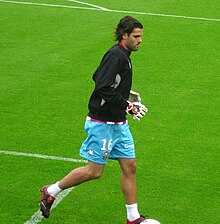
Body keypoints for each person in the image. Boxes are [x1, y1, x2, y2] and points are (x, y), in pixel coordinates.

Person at [39, 16, 159, 224]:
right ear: (124, 35)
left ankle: (133, 218)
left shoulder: (124, 54)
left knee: (129, 167)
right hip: (102, 123)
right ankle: (50, 191)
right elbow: (102, 87)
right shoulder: (117, 56)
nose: (140, 40)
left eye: (141, 36)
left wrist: (125, 93)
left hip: (118, 124)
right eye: (136, 36)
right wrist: (128, 106)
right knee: (94, 171)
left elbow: (98, 76)